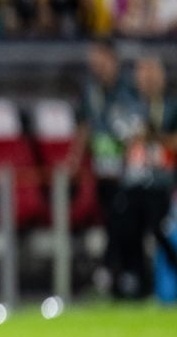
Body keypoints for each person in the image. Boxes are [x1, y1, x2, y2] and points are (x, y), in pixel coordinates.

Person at [67, 38, 137, 295]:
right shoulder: (90, 89)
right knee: (111, 219)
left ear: (111, 57)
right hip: (102, 168)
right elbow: (84, 126)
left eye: (97, 56)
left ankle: (119, 272)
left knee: (126, 223)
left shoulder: (129, 87)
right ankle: (116, 275)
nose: (93, 62)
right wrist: (74, 159)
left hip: (130, 168)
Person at [112, 55, 177, 298]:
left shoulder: (171, 105)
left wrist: (153, 137)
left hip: (162, 183)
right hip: (134, 181)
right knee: (127, 232)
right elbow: (121, 141)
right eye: (142, 72)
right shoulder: (129, 105)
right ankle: (136, 285)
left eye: (151, 72)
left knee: (161, 232)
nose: (146, 78)